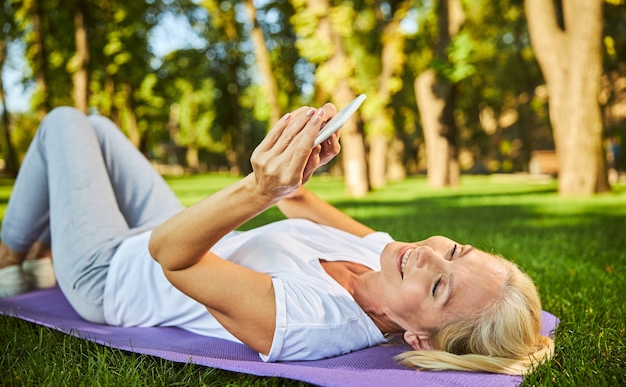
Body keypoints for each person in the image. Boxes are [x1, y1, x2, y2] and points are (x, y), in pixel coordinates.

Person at [0, 106, 554, 375]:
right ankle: (40, 239)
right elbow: (299, 201)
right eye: (455, 249)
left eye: (438, 286)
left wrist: (259, 187)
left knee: (64, 123)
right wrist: (306, 159)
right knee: (97, 127)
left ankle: (11, 249)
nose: (428, 253)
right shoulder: (388, 261)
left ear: (416, 338)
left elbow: (169, 257)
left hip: (114, 272)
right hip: (177, 228)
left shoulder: (314, 322)